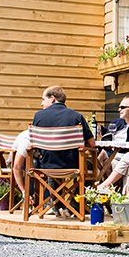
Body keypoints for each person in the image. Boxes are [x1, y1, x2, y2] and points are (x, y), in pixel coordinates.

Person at [31, 85, 96, 216]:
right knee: (89, 165)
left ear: (52, 98)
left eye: (43, 99)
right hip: (73, 165)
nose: (41, 103)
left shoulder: (38, 116)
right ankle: (74, 205)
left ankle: (55, 204)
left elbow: (34, 144)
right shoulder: (76, 116)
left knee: (53, 159)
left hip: (46, 165)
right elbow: (92, 144)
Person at [97, 95, 129, 178]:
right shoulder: (117, 122)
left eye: (122, 107)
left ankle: (96, 182)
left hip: (125, 154)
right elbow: (108, 135)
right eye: (119, 107)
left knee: (105, 158)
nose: (119, 109)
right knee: (101, 155)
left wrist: (118, 147)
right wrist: (100, 129)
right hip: (111, 152)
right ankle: (97, 182)